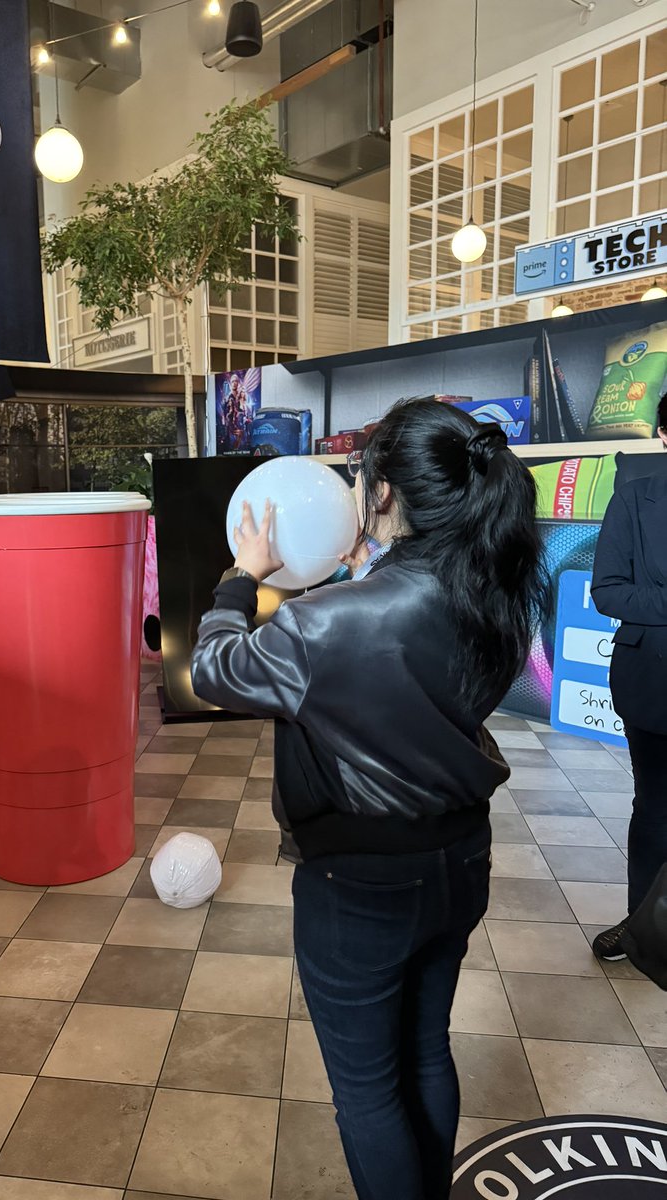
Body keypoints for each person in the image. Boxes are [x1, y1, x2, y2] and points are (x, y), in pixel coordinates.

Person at [191, 398, 550, 1200]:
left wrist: (239, 578)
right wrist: (367, 567)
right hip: (461, 860)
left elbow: (214, 671)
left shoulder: (325, 623)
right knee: (426, 1048)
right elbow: (402, 650)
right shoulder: (490, 590)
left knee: (366, 1089)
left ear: (381, 492)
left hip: (360, 885)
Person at [590, 391, 667, 962]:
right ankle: (646, 927)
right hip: (654, 684)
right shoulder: (635, 499)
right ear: (663, 436)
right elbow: (608, 592)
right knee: (657, 811)